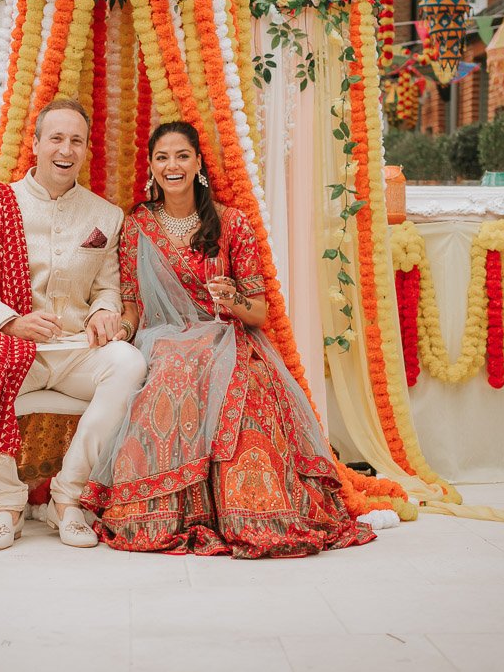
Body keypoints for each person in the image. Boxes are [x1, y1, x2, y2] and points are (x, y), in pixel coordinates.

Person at [82, 121, 376, 558]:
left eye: (182, 155)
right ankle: (169, 513)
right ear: (151, 166)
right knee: (171, 375)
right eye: (162, 157)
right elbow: (131, 305)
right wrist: (118, 332)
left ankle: (254, 511)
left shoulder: (231, 223)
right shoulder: (137, 226)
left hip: (228, 337)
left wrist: (233, 298)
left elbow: (259, 311)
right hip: (163, 339)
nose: (172, 165)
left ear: (198, 162)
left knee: (249, 390)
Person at [0, 98, 147, 552]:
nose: (65, 149)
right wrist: (9, 322)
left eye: (76, 140)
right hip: (12, 346)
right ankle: (6, 503)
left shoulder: (105, 216)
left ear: (86, 150)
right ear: (36, 144)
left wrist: (103, 312)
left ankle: (67, 499)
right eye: (56, 138)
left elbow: (107, 288)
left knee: (128, 364)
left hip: (74, 349)